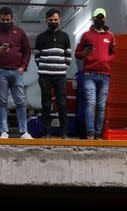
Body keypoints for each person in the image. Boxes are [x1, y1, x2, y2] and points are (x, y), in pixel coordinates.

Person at [0, 6, 32, 139]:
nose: (5, 22)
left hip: (16, 71)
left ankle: (24, 132)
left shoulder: (19, 32)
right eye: (2, 20)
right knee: (2, 101)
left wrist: (24, 67)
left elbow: (27, 50)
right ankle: (4, 131)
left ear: (12, 18)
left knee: (20, 101)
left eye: (7, 20)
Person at [75, 7, 116, 140]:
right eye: (97, 17)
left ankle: (98, 134)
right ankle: (90, 133)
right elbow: (77, 53)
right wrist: (85, 54)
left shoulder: (110, 36)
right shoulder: (86, 35)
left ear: (105, 18)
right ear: (93, 19)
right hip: (89, 75)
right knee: (91, 103)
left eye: (101, 17)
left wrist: (106, 60)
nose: (100, 19)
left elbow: (114, 53)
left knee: (101, 106)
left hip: (104, 75)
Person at [34, 8, 72, 138]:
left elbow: (68, 56)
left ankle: (64, 133)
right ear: (46, 21)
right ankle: (47, 133)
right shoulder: (40, 37)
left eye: (56, 20)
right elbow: (37, 56)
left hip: (60, 76)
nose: (53, 22)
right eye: (51, 20)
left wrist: (62, 68)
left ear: (60, 20)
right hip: (45, 76)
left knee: (62, 104)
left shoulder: (65, 36)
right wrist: (45, 68)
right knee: (46, 104)